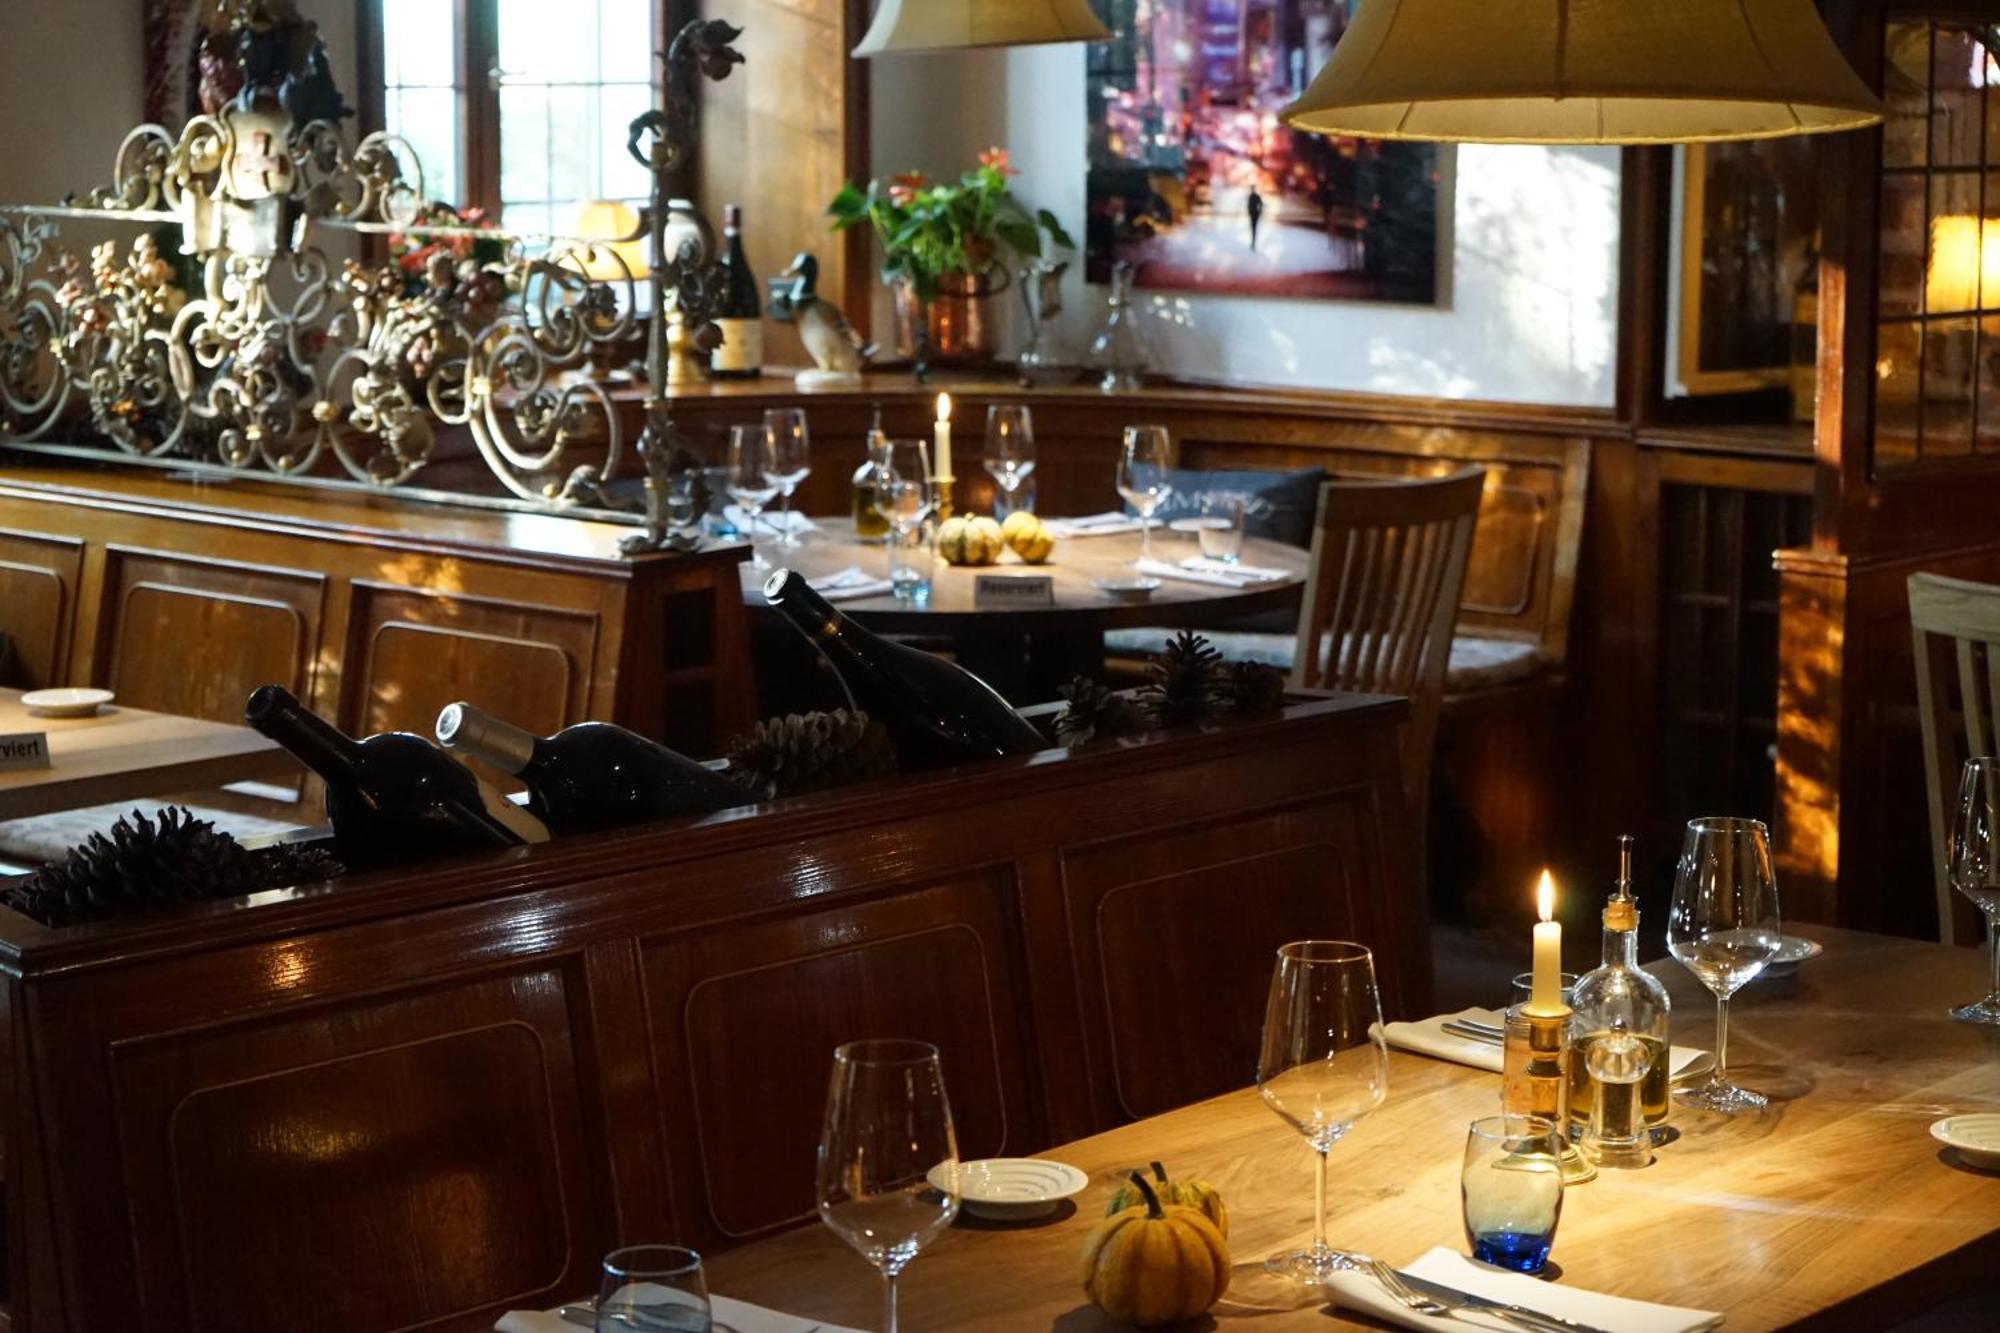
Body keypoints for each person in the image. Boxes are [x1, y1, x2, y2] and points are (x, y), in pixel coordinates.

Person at [1247, 186, 1264, 250]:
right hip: (1252, 215)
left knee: (1254, 228)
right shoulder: (1250, 196)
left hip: (1255, 215)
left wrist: (1259, 212)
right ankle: (1253, 242)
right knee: (1253, 228)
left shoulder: (1257, 196)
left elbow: (1261, 204)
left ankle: (1253, 242)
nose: (1252, 190)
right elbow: (1248, 206)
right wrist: (1249, 212)